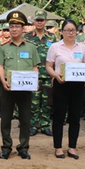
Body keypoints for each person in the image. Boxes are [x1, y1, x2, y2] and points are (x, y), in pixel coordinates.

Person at [0, 10, 41, 160]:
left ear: (23, 29)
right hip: (8, 88)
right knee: (6, 119)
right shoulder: (2, 47)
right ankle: (6, 147)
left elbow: (35, 67)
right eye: (11, 26)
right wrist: (3, 81)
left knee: (25, 119)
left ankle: (23, 148)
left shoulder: (31, 47)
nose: (14, 29)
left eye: (17, 26)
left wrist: (35, 81)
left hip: (25, 89)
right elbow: (0, 65)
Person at [45, 19, 85, 159]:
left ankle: (72, 147)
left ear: (77, 31)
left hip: (77, 86)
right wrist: (55, 75)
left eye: (73, 30)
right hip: (61, 84)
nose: (70, 33)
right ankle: (58, 147)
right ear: (61, 32)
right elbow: (48, 66)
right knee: (59, 117)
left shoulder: (82, 47)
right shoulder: (55, 47)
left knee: (75, 117)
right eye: (67, 30)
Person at [25, 9, 56, 137]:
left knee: (47, 101)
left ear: (45, 21)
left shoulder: (52, 37)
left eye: (41, 20)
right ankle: (33, 125)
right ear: (34, 21)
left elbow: (57, 56)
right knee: (33, 101)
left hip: (48, 74)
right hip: (33, 74)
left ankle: (45, 125)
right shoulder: (27, 37)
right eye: (37, 20)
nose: (39, 22)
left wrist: (55, 74)